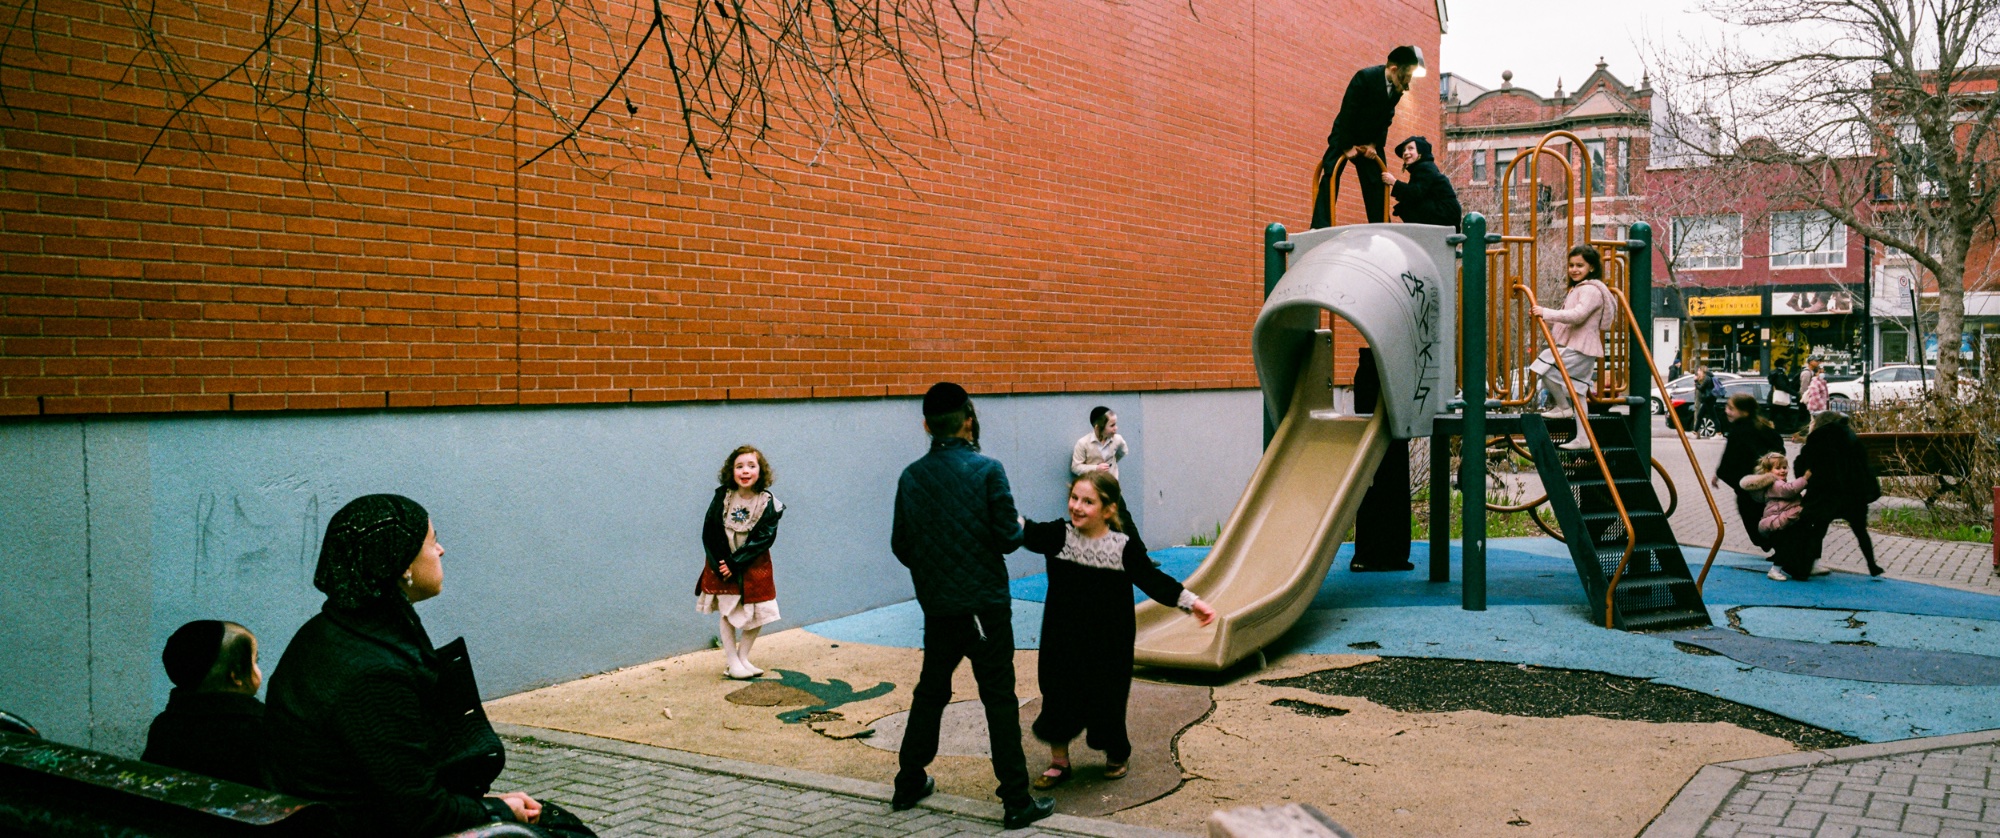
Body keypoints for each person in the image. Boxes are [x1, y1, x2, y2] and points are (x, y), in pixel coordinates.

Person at [265, 494, 595, 837]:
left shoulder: (331, 632)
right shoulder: (373, 674)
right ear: (403, 563)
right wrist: (498, 810)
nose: (441, 551)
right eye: (432, 542)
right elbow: (419, 813)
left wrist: (490, 805)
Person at [889, 383, 1055, 830]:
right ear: (968, 419)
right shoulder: (988, 470)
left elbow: (901, 545)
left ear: (926, 425)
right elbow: (1008, 537)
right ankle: (1016, 801)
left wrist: (936, 570)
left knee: (931, 692)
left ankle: (909, 781)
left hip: (940, 606)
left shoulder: (911, 476)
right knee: (999, 699)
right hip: (985, 606)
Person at [1020, 473, 1215, 789]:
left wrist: (1192, 603)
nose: (1077, 507)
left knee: (1106, 699)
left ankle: (1116, 752)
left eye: (1088, 501)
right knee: (1057, 694)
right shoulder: (1058, 535)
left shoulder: (1122, 547)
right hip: (1063, 637)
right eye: (1074, 498)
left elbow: (1153, 581)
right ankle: (1059, 761)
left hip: (1108, 640)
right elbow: (1023, 530)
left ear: (1108, 509)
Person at [141, 619, 267, 788]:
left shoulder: (165, 724)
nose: (258, 669)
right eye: (255, 661)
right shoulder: (262, 729)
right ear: (236, 675)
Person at [1313, 46, 1425, 228]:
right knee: (1331, 171)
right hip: (1345, 133)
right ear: (1394, 69)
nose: (1407, 83)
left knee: (1378, 177)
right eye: (1406, 77)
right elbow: (1349, 110)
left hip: (1370, 138)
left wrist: (1374, 144)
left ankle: (1381, 224)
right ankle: (1320, 224)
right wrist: (1347, 145)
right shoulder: (1365, 77)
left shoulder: (1396, 90)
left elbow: (1386, 118)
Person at [698, 444, 784, 680]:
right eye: (739, 466)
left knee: (760, 611)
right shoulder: (723, 497)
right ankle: (731, 660)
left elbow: (764, 537)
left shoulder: (769, 503)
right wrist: (723, 563)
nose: (745, 471)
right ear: (731, 471)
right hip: (722, 563)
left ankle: (743, 657)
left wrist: (737, 562)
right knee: (727, 611)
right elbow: (710, 532)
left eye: (751, 466)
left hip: (753, 564)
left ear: (760, 471)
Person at [1530, 246, 1616, 449]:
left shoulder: (1590, 290)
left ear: (1592, 267)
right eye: (1571, 265)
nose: (1574, 269)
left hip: (1582, 347)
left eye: (1580, 265)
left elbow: (1578, 315)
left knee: (1544, 363)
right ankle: (1583, 439)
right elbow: (1570, 318)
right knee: (1578, 392)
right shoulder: (1581, 288)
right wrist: (1545, 315)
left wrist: (1545, 312)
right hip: (1582, 347)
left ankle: (1563, 407)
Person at [1793, 411, 1885, 576]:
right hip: (1854, 494)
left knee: (1817, 529)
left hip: (1826, 494)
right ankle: (1872, 564)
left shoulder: (1817, 440)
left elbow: (1803, 467)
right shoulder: (1851, 439)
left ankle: (1804, 568)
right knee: (1860, 530)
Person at [1710, 393, 1786, 553]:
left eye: (1731, 408)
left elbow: (1729, 457)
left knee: (1754, 520)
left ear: (1744, 412)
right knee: (1770, 516)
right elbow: (1779, 447)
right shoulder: (1762, 427)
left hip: (1749, 485)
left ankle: (1775, 546)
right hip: (1769, 482)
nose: (1727, 411)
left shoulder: (1739, 430)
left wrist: (1720, 473)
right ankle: (1779, 548)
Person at [1737, 453, 1812, 581]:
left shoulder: (1779, 483)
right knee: (1786, 545)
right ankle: (1775, 570)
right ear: (1768, 471)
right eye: (1778, 468)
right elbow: (1790, 490)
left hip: (1782, 521)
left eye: (1784, 467)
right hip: (1778, 523)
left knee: (1792, 545)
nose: (1783, 470)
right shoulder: (1775, 484)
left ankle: (1795, 568)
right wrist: (1805, 478)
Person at [1382, 136, 1462, 230]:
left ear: (1420, 151)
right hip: (1446, 216)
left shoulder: (1425, 168)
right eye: (1404, 150)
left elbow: (1415, 193)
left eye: (1411, 148)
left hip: (1444, 215)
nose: (1406, 153)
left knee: (1406, 205)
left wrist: (1394, 182)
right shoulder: (1424, 168)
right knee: (1407, 204)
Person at [1694, 367, 1719, 434]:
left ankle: (1719, 433)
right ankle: (1695, 431)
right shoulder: (1708, 377)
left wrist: (1696, 382)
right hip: (1708, 400)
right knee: (1700, 415)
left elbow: (1701, 388)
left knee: (1714, 417)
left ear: (1703, 371)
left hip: (1708, 400)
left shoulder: (1707, 378)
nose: (1698, 371)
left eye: (1699, 370)